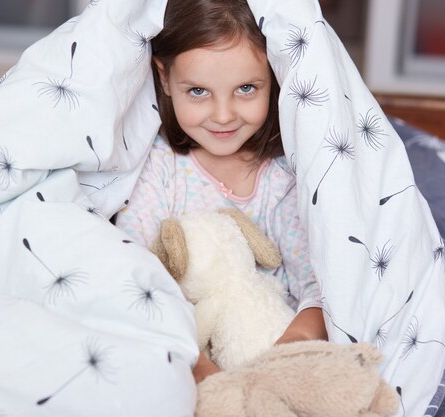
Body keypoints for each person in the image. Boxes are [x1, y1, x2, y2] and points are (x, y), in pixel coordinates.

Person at [114, 0, 327, 383]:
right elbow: (135, 273)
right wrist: (196, 367)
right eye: (198, 91)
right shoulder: (159, 167)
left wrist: (293, 342)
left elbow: (317, 285)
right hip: (180, 348)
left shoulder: (282, 178)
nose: (224, 115)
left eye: (246, 88)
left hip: (267, 349)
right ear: (163, 77)